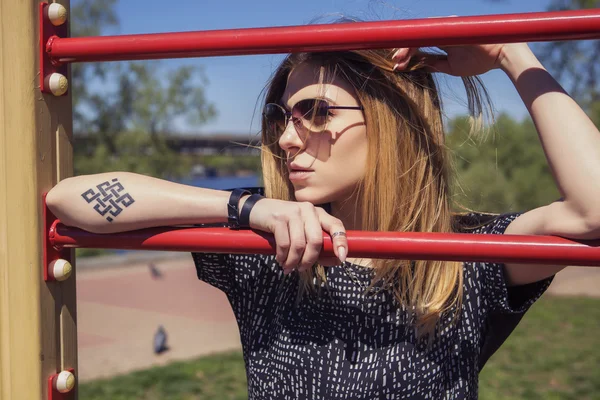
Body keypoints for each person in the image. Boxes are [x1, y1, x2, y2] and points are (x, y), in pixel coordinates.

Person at [46, 40, 600, 399]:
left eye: (316, 112)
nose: (287, 137)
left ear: (387, 122)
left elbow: (593, 210)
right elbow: (70, 200)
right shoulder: (266, 246)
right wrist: (241, 206)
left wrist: (511, 54)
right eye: (281, 117)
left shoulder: (463, 256)